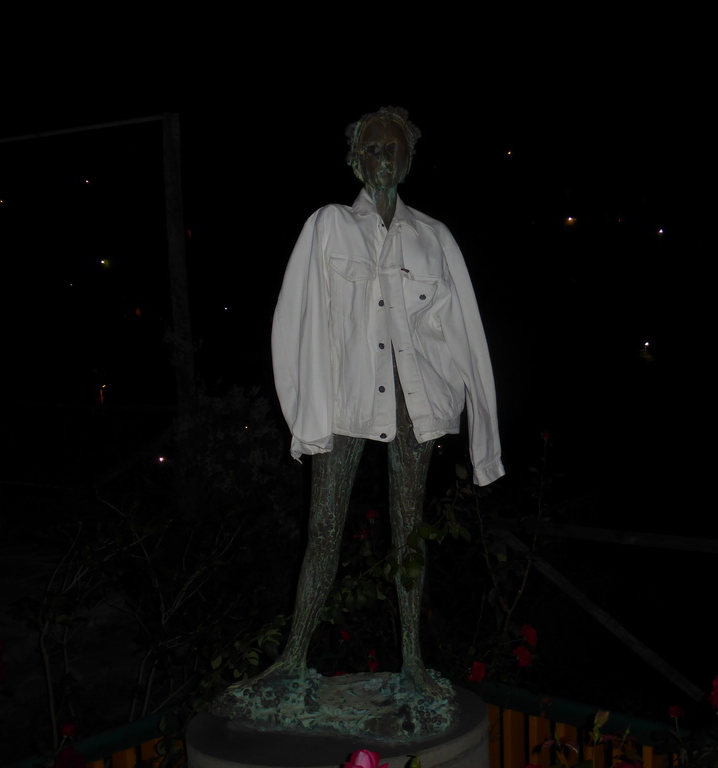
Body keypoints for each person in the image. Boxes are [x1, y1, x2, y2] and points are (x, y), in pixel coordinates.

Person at [266, 106, 504, 700]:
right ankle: (292, 657)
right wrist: (307, 420)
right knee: (323, 525)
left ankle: (413, 662)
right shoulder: (328, 226)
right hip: (346, 399)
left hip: (412, 405)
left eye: (394, 148)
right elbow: (293, 324)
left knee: (409, 531)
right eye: (373, 148)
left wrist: (485, 444)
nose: (384, 158)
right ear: (355, 158)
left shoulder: (435, 238)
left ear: (409, 159)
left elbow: (469, 338)